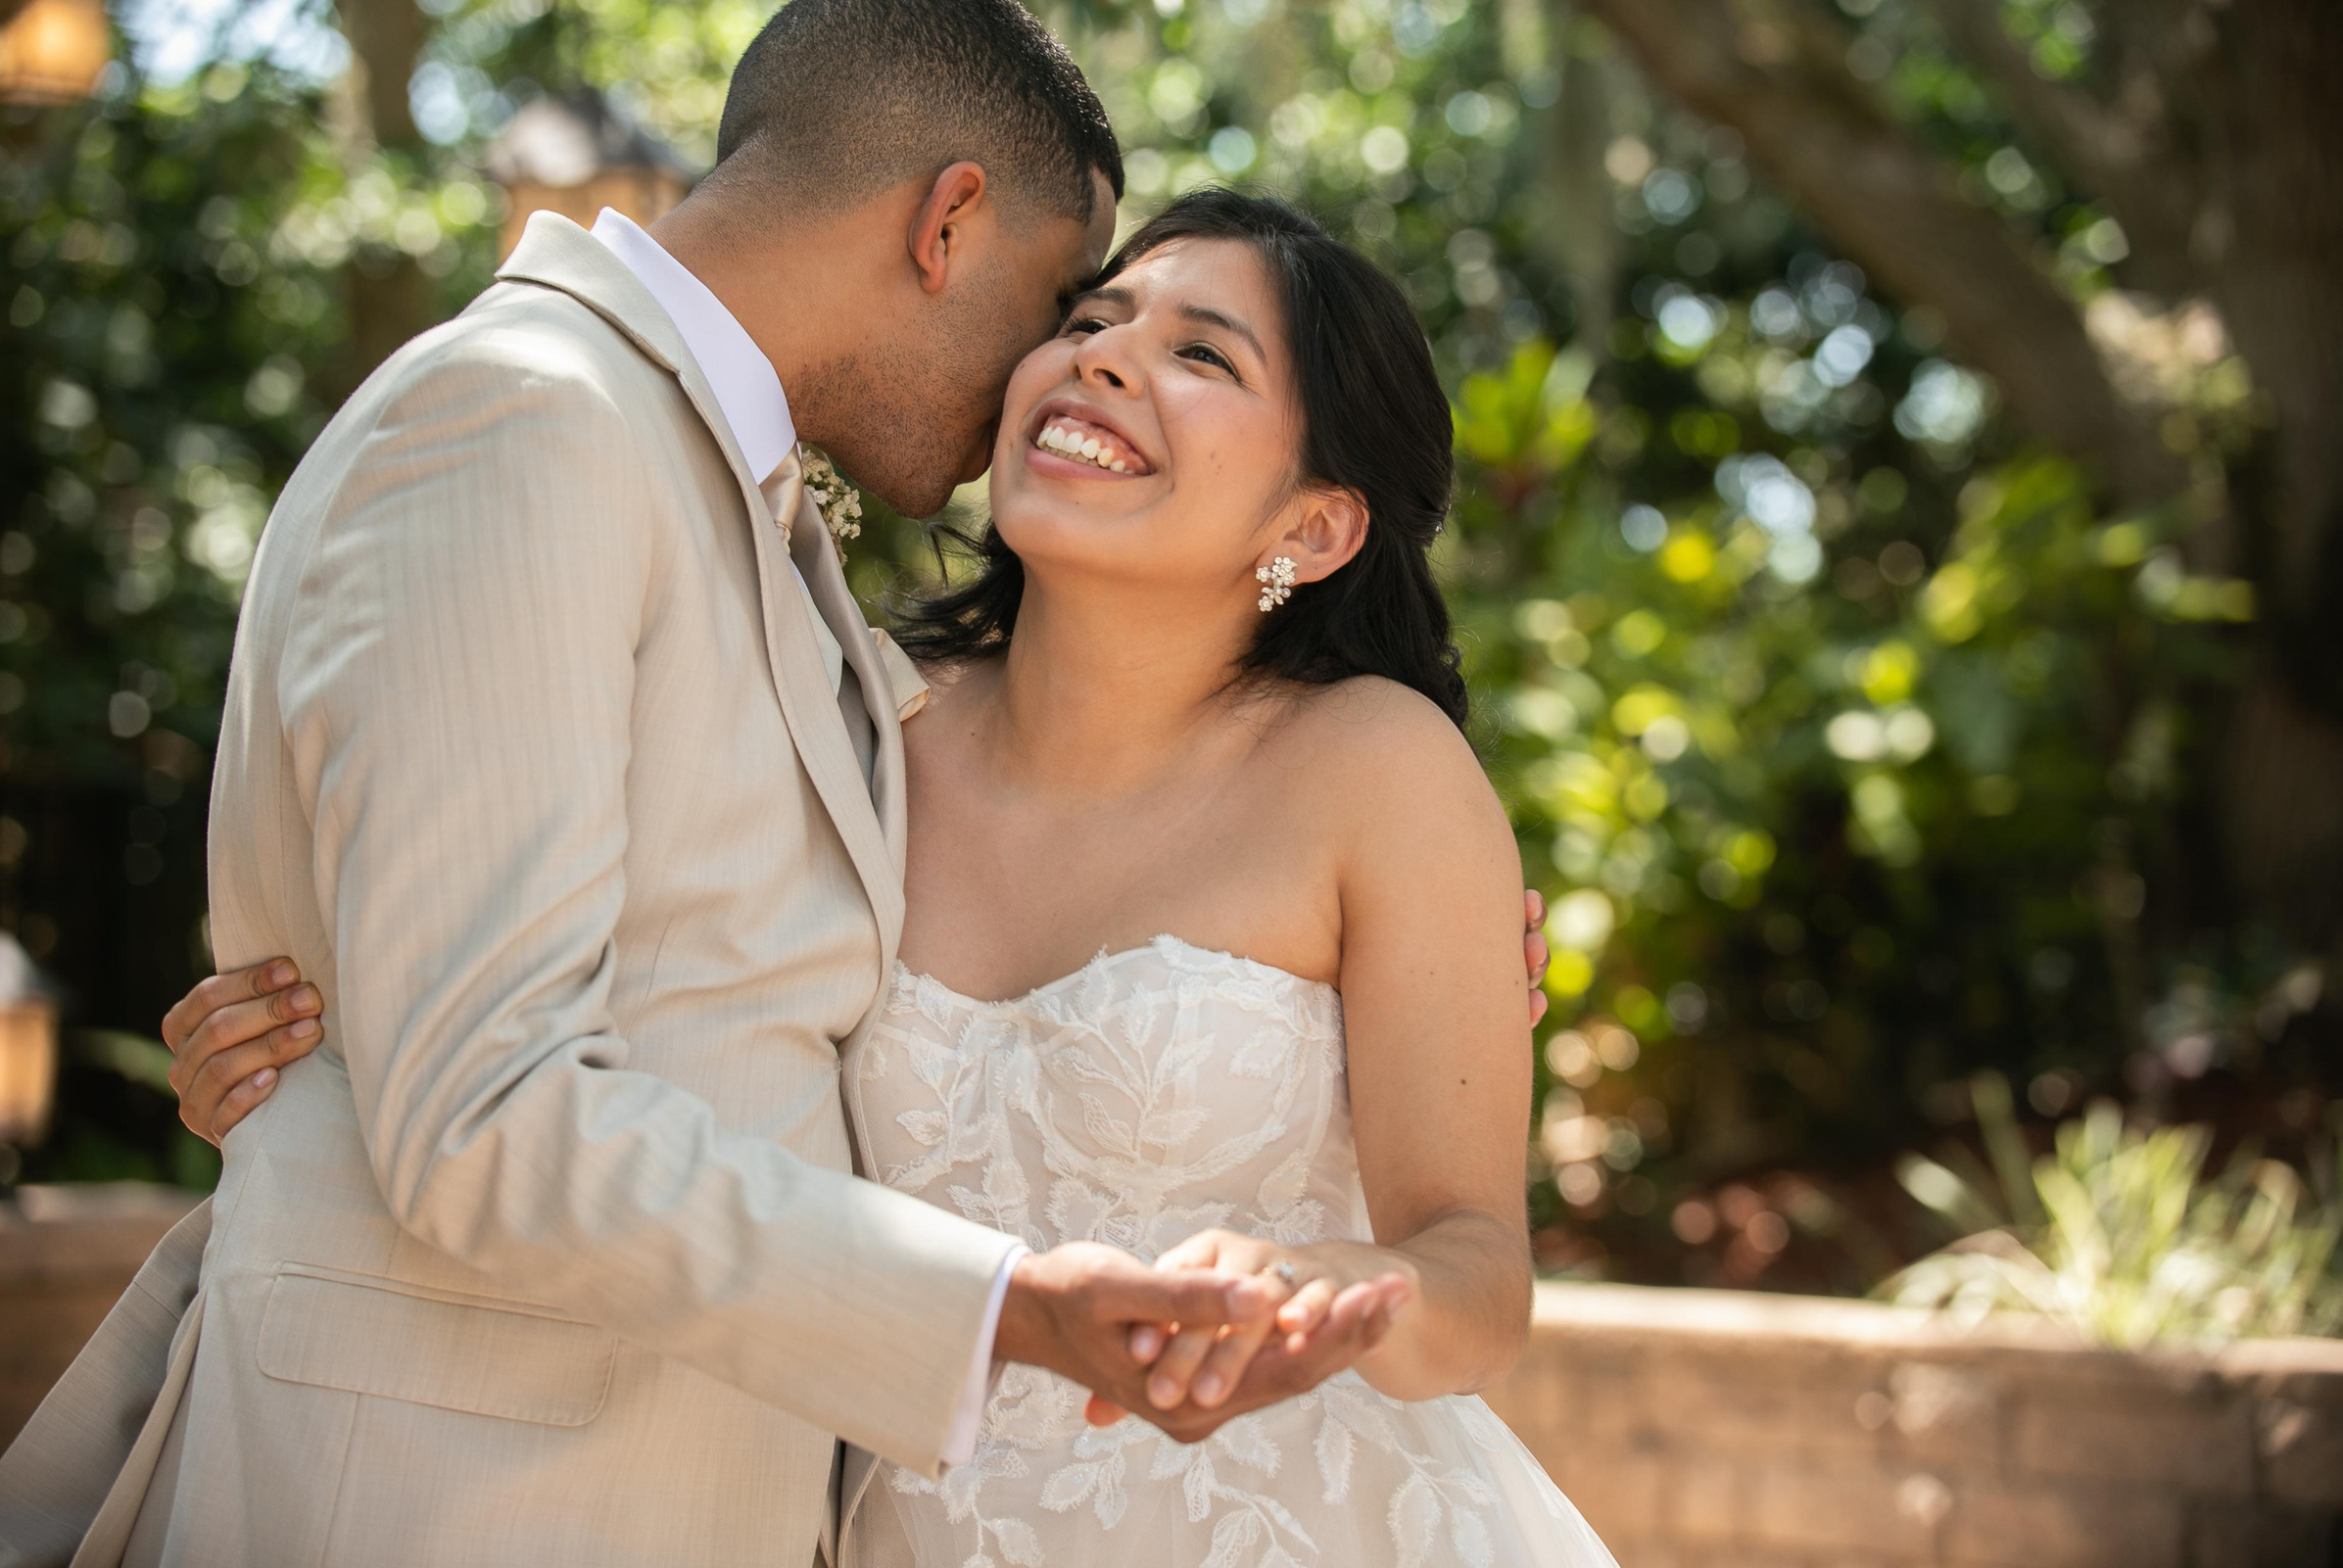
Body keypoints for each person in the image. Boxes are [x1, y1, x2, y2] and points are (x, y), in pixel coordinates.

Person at [0, 0, 1503, 1568]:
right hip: (455, 1499)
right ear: (945, 223)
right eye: (1069, 306)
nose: (1070, 364)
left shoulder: (768, 540)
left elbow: (710, 974)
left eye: (1183, 349)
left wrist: (1397, 982)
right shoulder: (523, 417)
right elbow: (479, 1103)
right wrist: (1012, 1313)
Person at [159, 188, 1608, 1566]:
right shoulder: (853, 712)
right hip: (876, 1523)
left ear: (1313, 526)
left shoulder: (1379, 770)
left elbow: (1478, 1271)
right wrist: (316, 1055)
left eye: (1198, 355)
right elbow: (575, 976)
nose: (1106, 361)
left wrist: (1343, 1293)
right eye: (1094, 318)